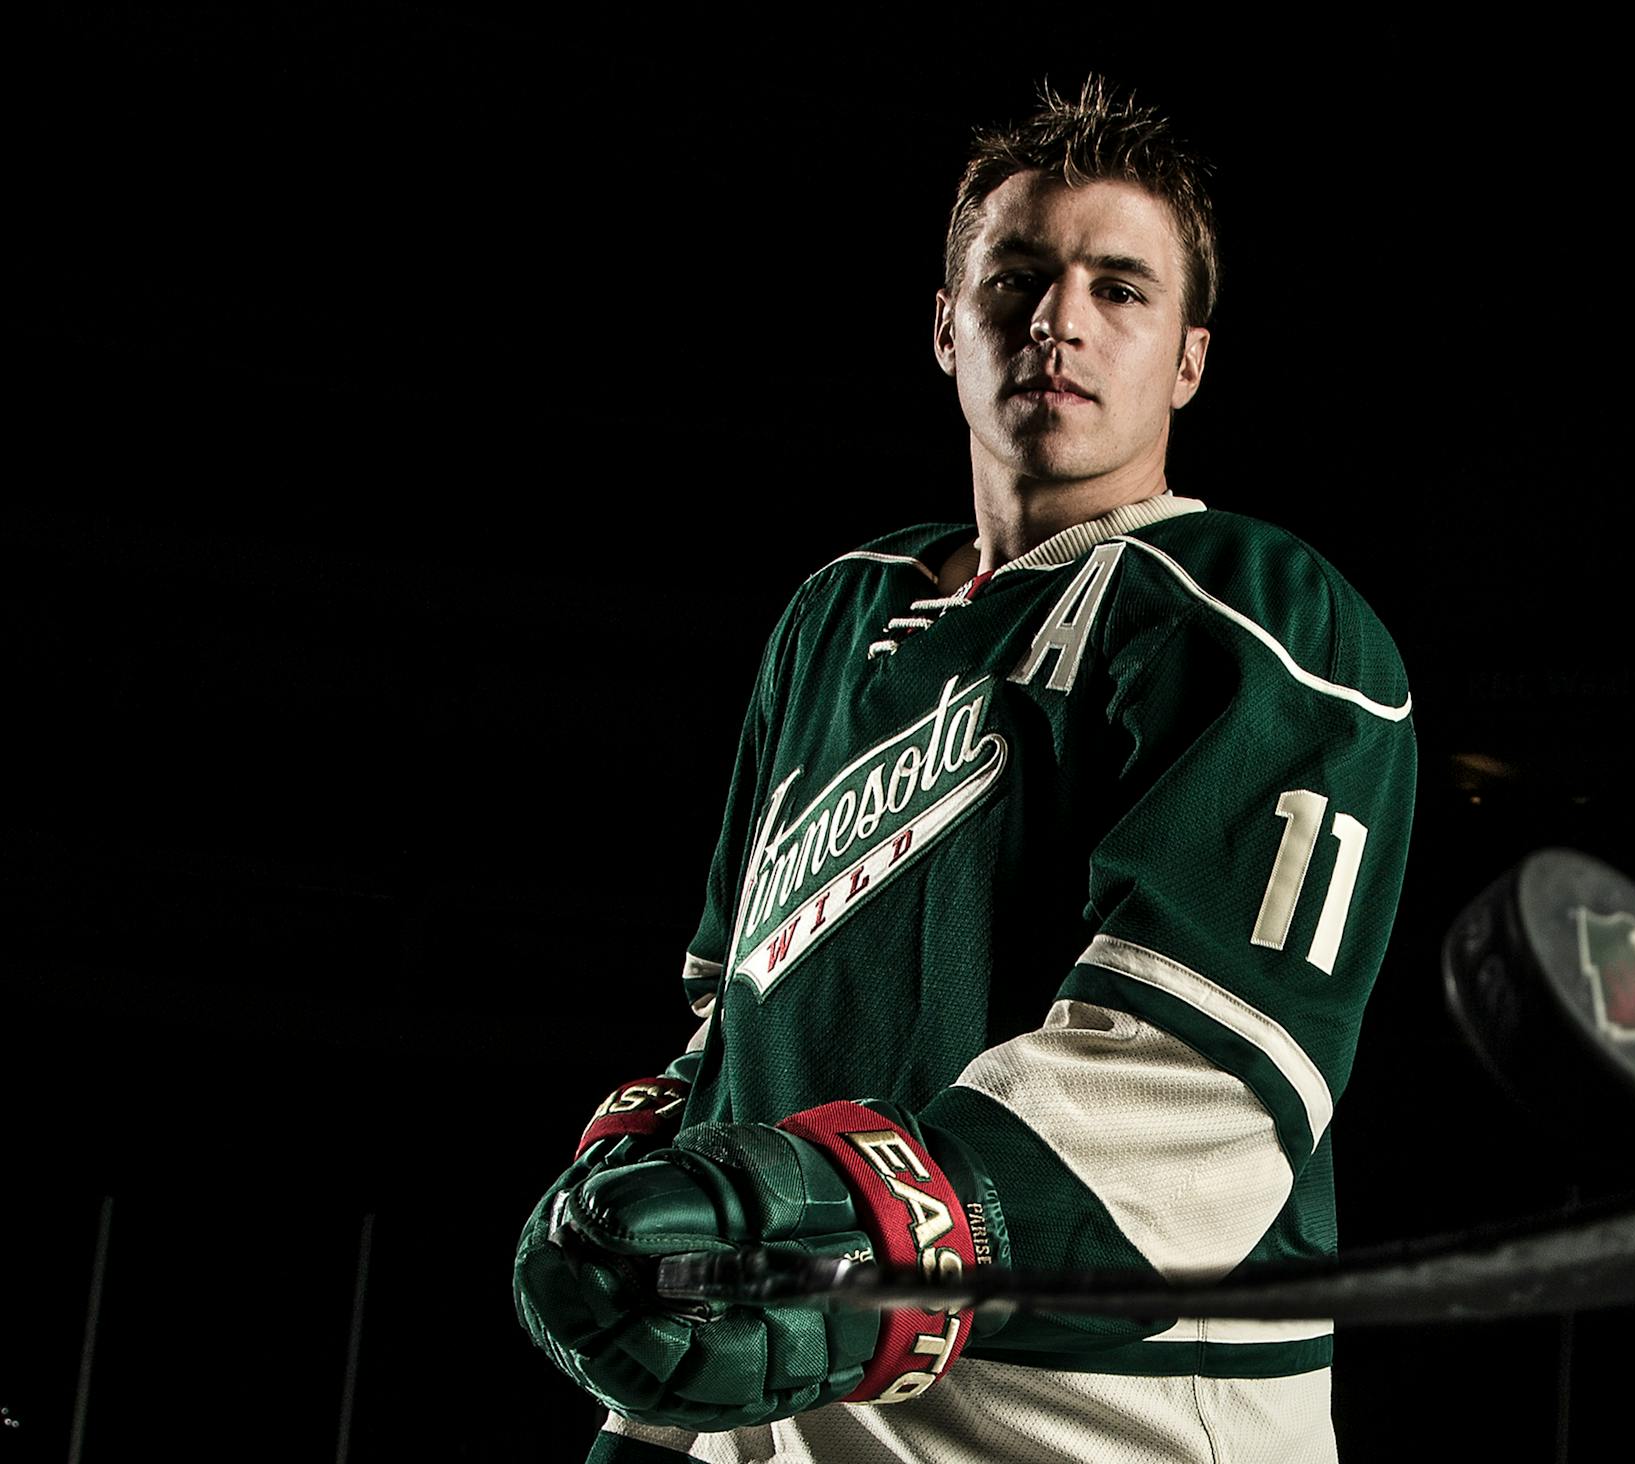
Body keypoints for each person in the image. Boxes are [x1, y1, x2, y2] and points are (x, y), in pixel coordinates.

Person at [514, 76, 1417, 1463]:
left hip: (1093, 1425)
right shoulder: (832, 618)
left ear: (1187, 360)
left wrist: (863, 1216)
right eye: (1020, 276)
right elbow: (737, 1025)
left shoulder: (1249, 617)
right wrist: (662, 1225)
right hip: (799, 1415)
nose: (1060, 318)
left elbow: (1195, 1098)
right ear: (947, 325)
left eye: (1121, 289)